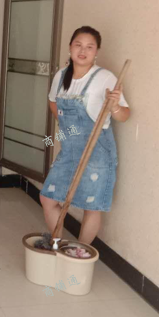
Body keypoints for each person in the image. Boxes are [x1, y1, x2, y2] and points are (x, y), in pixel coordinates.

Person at [39, 26, 130, 245]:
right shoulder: (61, 75)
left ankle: (80, 251)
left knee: (91, 205)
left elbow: (125, 115)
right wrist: (68, 128)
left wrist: (115, 107)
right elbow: (53, 102)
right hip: (69, 150)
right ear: (70, 47)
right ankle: (58, 245)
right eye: (78, 45)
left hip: (97, 151)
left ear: (96, 51)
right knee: (48, 198)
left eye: (90, 47)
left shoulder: (105, 78)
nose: (83, 50)